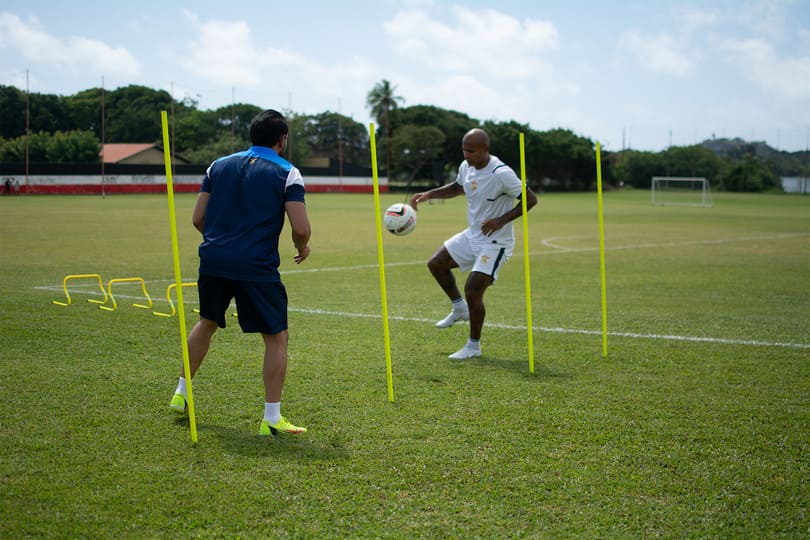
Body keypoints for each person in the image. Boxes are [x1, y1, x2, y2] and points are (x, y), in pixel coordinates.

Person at [169, 109, 311, 436]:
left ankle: (181, 392)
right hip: (255, 265)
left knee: (206, 322)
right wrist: (302, 246)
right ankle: (272, 419)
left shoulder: (217, 166)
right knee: (276, 337)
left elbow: (197, 219)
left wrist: (221, 243)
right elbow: (300, 227)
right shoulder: (288, 173)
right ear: (282, 140)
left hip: (214, 258)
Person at [410, 128, 537, 359]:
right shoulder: (465, 166)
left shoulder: (501, 173)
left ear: (485, 150)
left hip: (496, 242)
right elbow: (457, 188)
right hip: (473, 235)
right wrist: (428, 194)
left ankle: (473, 346)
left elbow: (530, 200)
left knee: (473, 289)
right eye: (464, 150)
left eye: (472, 151)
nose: (467, 155)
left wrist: (501, 220)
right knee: (436, 264)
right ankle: (459, 309)